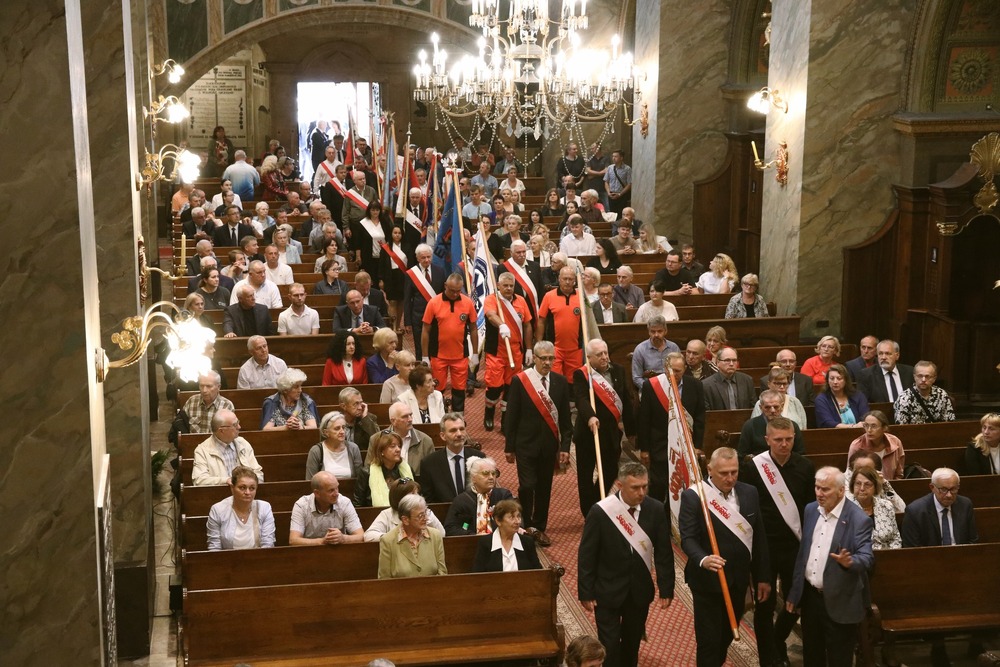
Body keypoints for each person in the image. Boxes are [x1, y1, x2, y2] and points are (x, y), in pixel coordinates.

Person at [680, 447, 770, 667]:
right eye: (724, 473)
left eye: (734, 472)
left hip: (738, 580)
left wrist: (763, 577)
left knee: (728, 633)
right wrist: (703, 559)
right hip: (707, 582)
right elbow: (688, 538)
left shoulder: (749, 492)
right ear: (709, 469)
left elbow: (759, 538)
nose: (730, 478)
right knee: (709, 640)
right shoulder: (694, 496)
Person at [578, 462, 674, 667]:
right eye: (635, 487)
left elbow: (664, 552)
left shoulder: (655, 509)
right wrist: (585, 591)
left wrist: (667, 588)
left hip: (638, 591)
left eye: (644, 487)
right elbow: (587, 554)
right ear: (620, 485)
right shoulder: (601, 511)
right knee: (609, 647)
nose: (641, 492)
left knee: (631, 646)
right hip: (607, 589)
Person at [740, 418, 815, 667]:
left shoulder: (805, 467)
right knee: (765, 604)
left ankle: (777, 638)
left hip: (795, 545)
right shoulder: (753, 469)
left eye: (789, 439)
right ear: (767, 440)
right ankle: (768, 659)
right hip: (765, 548)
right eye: (778, 440)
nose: (784, 444)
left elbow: (809, 509)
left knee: (797, 600)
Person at [786, 467, 874, 667]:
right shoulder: (810, 510)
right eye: (817, 488)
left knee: (839, 659)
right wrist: (795, 592)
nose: (819, 493)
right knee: (812, 655)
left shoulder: (858, 519)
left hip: (841, 600)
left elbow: (867, 558)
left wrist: (850, 562)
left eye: (825, 489)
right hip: (811, 599)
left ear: (841, 491)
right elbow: (803, 554)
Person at [504, 341, 572, 547]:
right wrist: (509, 446)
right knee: (527, 486)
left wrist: (566, 448)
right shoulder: (521, 381)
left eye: (551, 358)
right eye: (543, 358)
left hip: (549, 446)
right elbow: (512, 416)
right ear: (534, 358)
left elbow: (566, 421)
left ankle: (540, 527)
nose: (548, 362)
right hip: (525, 444)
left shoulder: (560, 382)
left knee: (544, 487)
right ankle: (526, 524)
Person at [573, 339, 636, 517]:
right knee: (585, 476)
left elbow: (626, 400)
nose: (604, 357)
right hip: (588, 433)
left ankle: (596, 503)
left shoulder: (618, 371)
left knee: (610, 471)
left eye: (605, 353)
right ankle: (588, 513)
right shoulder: (581, 375)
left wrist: (631, 431)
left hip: (610, 433)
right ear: (589, 357)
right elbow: (581, 399)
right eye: (599, 354)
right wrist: (590, 416)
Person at [637, 353, 706, 499]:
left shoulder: (695, 385)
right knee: (659, 486)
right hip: (660, 445)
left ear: (685, 369)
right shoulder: (651, 385)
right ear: (665, 368)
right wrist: (644, 449)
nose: (674, 374)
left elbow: (700, 418)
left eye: (678, 371)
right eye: (671, 370)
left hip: (687, 446)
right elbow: (644, 420)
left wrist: (698, 445)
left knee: (684, 487)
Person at [482, 272, 534, 431]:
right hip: (496, 352)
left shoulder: (521, 301)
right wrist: (501, 325)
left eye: (511, 285)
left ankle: (506, 420)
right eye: (505, 285)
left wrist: (529, 348)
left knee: (511, 388)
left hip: (516, 352)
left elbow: (527, 325)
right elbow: (491, 315)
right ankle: (489, 412)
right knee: (494, 386)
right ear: (498, 286)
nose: (509, 288)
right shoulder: (492, 299)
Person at [421, 272, 479, 414]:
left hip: (459, 356)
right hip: (438, 355)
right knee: (437, 390)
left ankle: (458, 418)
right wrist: (424, 356)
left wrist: (476, 353)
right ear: (445, 286)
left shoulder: (467, 303)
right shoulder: (434, 303)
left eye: (458, 291)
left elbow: (473, 329)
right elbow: (425, 330)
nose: (455, 294)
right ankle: (437, 416)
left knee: (459, 390)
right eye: (452, 290)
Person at [901, 467, 978, 547]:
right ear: (932, 488)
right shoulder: (915, 511)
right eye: (943, 489)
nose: (949, 495)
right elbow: (912, 549)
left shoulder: (965, 505)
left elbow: (973, 540)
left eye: (953, 489)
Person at [377, 493, 447, 578]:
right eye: (420, 515)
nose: (426, 518)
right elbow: (385, 579)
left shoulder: (435, 536)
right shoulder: (388, 541)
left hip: (432, 589)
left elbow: (442, 573)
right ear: (405, 520)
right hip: (400, 591)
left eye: (425, 513)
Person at [206, 466, 275, 550]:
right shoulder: (218, 510)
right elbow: (214, 548)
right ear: (232, 488)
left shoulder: (264, 508)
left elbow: (268, 545)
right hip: (226, 561)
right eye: (242, 487)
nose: (247, 492)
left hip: (258, 560)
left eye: (252, 488)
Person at [289, 471, 364, 546]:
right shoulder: (301, 505)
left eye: (337, 488)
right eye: (331, 490)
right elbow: (293, 540)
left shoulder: (345, 503)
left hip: (339, 552)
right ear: (317, 493)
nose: (336, 494)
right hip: (309, 553)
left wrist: (343, 539)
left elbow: (361, 536)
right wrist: (322, 541)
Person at [444, 456, 515, 536]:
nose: (491, 477)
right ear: (473, 478)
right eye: (486, 473)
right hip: (471, 544)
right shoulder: (461, 500)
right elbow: (450, 528)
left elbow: (516, 519)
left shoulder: (503, 496)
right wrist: (472, 536)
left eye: (493, 473)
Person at [192, 410, 264, 485]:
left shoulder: (243, 444)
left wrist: (247, 484)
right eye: (235, 425)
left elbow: (258, 474)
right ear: (222, 431)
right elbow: (199, 481)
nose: (239, 427)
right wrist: (226, 481)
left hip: (246, 493)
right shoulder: (202, 450)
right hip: (219, 495)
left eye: (238, 422)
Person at [471, 498, 543, 573]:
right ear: (498, 521)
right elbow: (477, 575)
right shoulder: (486, 543)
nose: (517, 522)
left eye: (518, 516)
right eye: (512, 517)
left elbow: (537, 572)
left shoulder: (527, 542)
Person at [364, 478, 445, 542]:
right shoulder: (387, 514)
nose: (417, 497)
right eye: (412, 494)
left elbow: (442, 534)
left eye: (417, 493)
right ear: (400, 499)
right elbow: (369, 536)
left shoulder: (426, 512)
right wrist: (397, 537)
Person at [404, 244, 447, 360]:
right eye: (423, 258)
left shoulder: (440, 271)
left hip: (437, 316)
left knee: (436, 345)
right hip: (419, 317)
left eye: (429, 257)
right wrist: (407, 322)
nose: (426, 260)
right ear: (417, 258)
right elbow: (407, 299)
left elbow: (444, 295)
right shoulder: (411, 274)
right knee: (420, 347)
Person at [738, 390, 806, 457]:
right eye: (767, 407)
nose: (772, 410)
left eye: (776, 407)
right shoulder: (750, 426)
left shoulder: (792, 426)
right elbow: (743, 455)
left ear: (782, 406)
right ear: (761, 407)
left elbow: (800, 453)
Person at [847, 466, 901, 550]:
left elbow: (895, 538)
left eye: (867, 484)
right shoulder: (846, 509)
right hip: (859, 559)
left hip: (888, 557)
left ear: (875, 487)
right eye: (858, 483)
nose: (862, 488)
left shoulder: (886, 506)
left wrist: (891, 557)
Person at [355, 431, 413, 507]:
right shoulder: (366, 472)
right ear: (381, 451)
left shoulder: (406, 469)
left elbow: (416, 496)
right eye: (393, 446)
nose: (398, 449)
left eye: (399, 446)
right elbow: (358, 504)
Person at [846, 410, 905, 480]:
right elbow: (849, 475)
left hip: (889, 486)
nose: (869, 430)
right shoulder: (856, 445)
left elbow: (899, 474)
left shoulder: (895, 442)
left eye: (874, 426)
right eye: (866, 426)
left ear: (884, 428)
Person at [305, 411, 363, 480]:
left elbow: (360, 479)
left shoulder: (353, 448)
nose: (342, 431)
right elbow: (310, 481)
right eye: (337, 428)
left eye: (344, 427)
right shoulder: (316, 451)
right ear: (326, 432)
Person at [857, 339, 915, 404]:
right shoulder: (866, 375)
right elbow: (863, 403)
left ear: (897, 355)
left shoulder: (909, 372)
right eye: (880, 354)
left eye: (888, 354)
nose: (883, 357)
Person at [631, 316, 681, 390]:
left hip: (672, 389)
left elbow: (680, 372)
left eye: (660, 331)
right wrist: (651, 389)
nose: (656, 335)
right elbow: (636, 378)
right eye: (653, 331)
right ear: (649, 332)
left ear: (665, 331)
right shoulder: (640, 349)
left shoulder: (674, 348)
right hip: (649, 390)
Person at [814, 363, 870, 428]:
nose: (835, 382)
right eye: (832, 378)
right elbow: (827, 422)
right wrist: (852, 427)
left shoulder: (858, 396)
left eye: (839, 378)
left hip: (859, 433)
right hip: (833, 435)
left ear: (846, 380)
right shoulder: (822, 399)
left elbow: (866, 417)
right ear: (827, 381)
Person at [352, 200, 392, 285]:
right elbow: (358, 242)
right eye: (373, 210)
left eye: (377, 210)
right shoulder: (363, 223)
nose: (375, 212)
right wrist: (358, 256)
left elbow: (389, 238)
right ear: (369, 211)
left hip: (382, 257)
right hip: (368, 257)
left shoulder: (384, 222)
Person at [603, 149, 631, 217]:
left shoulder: (627, 169)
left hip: (622, 195)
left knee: (621, 214)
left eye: (616, 156)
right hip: (611, 194)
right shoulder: (610, 168)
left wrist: (620, 194)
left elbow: (629, 184)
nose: (614, 158)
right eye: (613, 156)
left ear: (621, 158)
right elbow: (606, 181)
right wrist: (608, 192)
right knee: (612, 214)